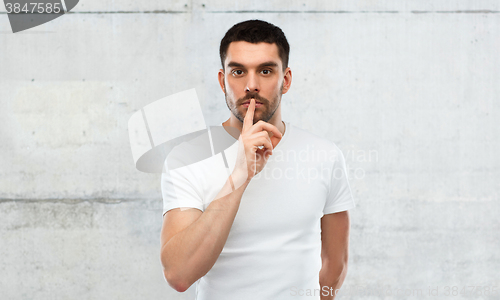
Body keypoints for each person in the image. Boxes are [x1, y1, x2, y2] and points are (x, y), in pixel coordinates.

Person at [160, 19, 355, 300]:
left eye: (265, 71)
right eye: (238, 71)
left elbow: (335, 265)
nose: (251, 85)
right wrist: (240, 175)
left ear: (285, 80)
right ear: (222, 80)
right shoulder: (187, 158)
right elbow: (179, 274)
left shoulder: (325, 155)